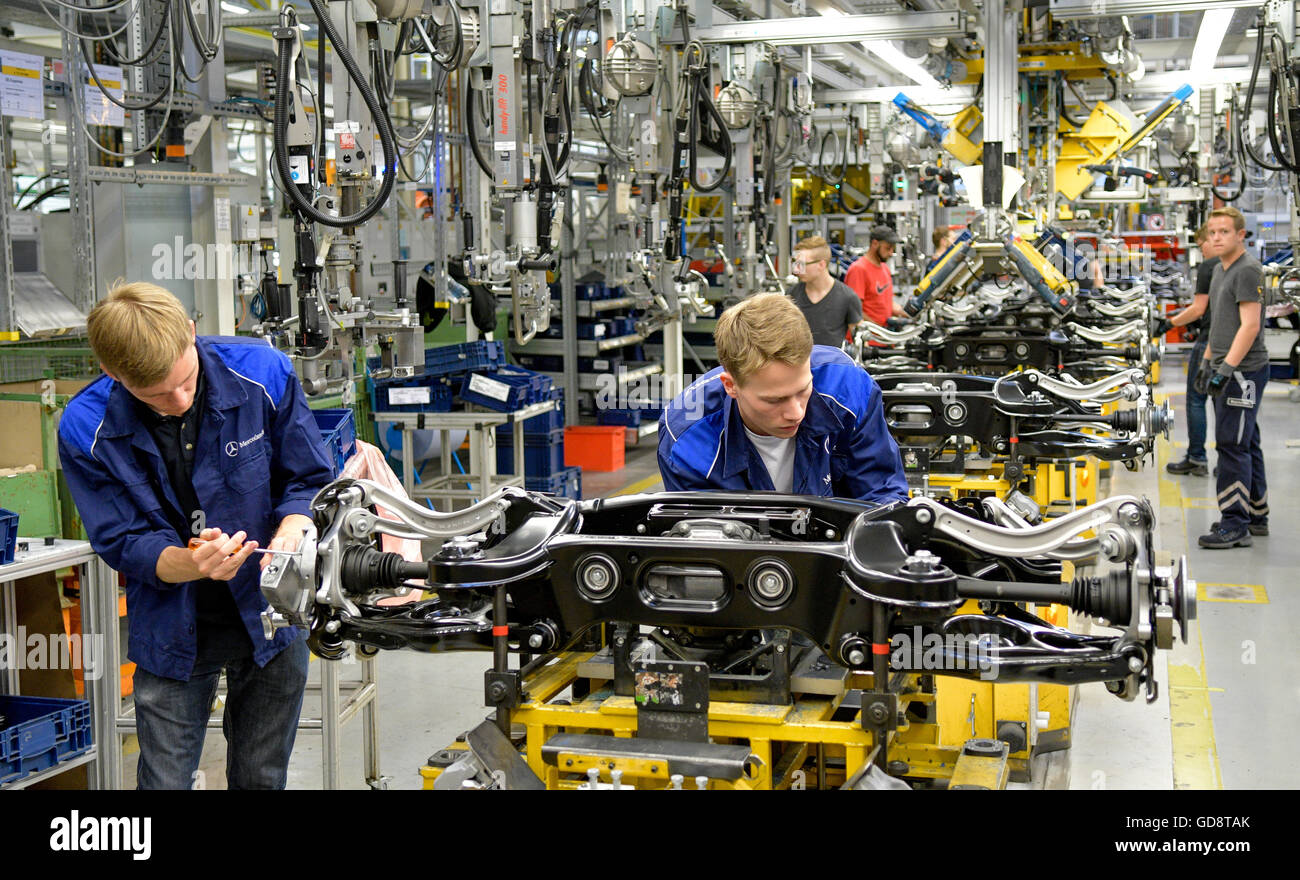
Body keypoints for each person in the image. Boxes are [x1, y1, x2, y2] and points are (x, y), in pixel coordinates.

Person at [57, 281, 336, 788]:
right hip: (172, 625)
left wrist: (296, 524)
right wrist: (190, 564)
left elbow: (309, 477)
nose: (180, 400)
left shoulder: (263, 373)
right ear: (112, 374)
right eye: (158, 395)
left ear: (190, 333)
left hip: (271, 612)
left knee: (261, 776)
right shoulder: (86, 427)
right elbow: (122, 539)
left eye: (185, 381)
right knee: (164, 780)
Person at [658, 292, 908, 503]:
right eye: (774, 400)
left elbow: (882, 496)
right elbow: (705, 542)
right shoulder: (687, 441)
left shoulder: (849, 390)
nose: (795, 412)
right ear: (731, 386)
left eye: (803, 390)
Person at [1194, 207, 1270, 548]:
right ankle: (1256, 515)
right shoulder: (1220, 270)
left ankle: (1234, 524)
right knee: (1247, 441)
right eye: (1213, 232)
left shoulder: (1247, 270)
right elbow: (1221, 325)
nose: (1217, 237)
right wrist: (1207, 362)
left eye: (1224, 231)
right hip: (1227, 367)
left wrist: (1226, 370)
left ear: (1241, 234)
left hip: (1243, 372)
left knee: (1231, 445)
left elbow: (1250, 326)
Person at [1157, 225, 1218, 477]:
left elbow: (1199, 308)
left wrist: (1168, 323)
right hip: (1229, 342)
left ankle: (1197, 458)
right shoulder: (1237, 266)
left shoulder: (1209, 266)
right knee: (1223, 402)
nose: (1201, 250)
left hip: (1209, 342)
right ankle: (1226, 462)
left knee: (1195, 398)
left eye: (1201, 244)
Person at [785, 234, 863, 348]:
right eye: (795, 264)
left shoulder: (847, 297)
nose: (796, 270)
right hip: (799, 364)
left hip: (832, 364)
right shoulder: (791, 295)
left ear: (821, 264)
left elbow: (859, 342)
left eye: (801, 264)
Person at [845, 225, 908, 325]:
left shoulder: (885, 269)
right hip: (869, 338)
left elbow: (887, 303)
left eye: (893, 249)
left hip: (885, 338)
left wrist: (909, 314)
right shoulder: (859, 270)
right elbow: (855, 311)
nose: (891, 253)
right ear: (875, 243)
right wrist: (878, 330)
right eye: (888, 248)